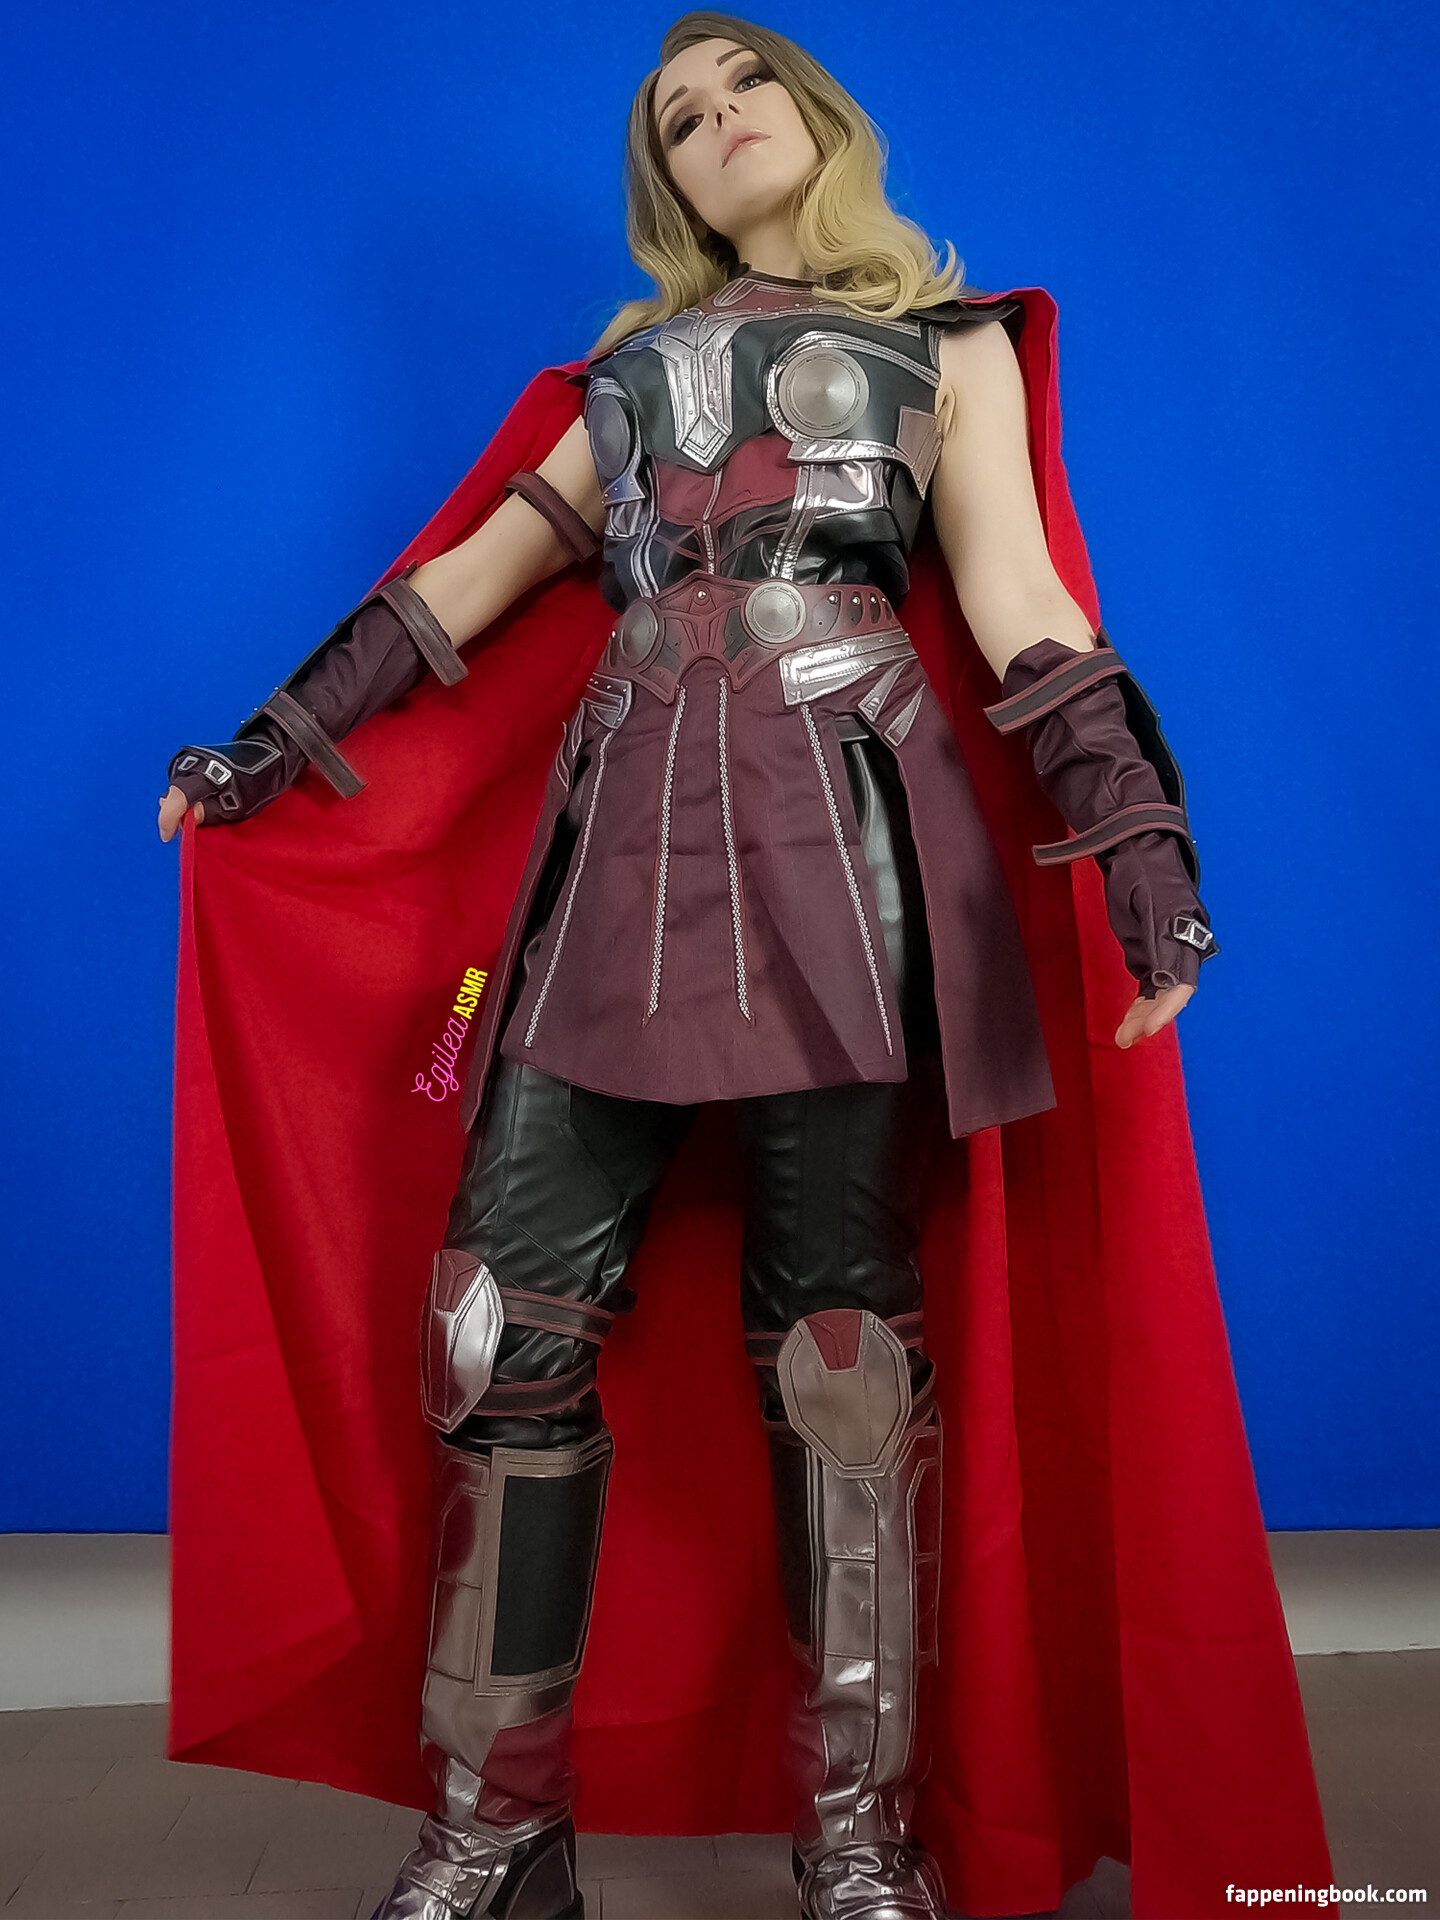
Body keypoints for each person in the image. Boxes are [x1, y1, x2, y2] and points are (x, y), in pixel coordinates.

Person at [158, 16, 1323, 1920]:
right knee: (490, 1327)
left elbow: (1021, 602)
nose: (715, 123)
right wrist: (269, 746)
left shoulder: (949, 350)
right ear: (667, 186)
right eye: (677, 120)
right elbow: (462, 586)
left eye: (738, 85)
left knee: (842, 1359)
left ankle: (859, 1840)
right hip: (611, 869)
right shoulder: (623, 379)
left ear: (814, 111)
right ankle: (495, 1834)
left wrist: (1141, 839)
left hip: (843, 864)